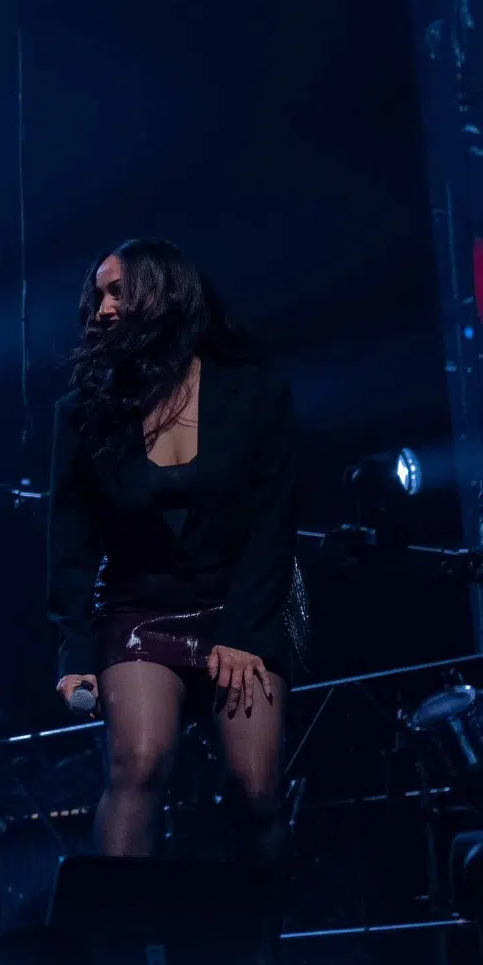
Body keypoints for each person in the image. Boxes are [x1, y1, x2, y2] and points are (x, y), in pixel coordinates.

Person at [47, 239, 298, 887]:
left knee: (255, 789)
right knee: (139, 761)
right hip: (139, 610)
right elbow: (71, 541)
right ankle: (121, 959)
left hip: (239, 606)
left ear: (166, 296)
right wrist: (75, 653)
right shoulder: (84, 414)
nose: (102, 309)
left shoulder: (253, 393)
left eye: (118, 292)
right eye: (96, 295)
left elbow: (274, 524)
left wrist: (244, 635)